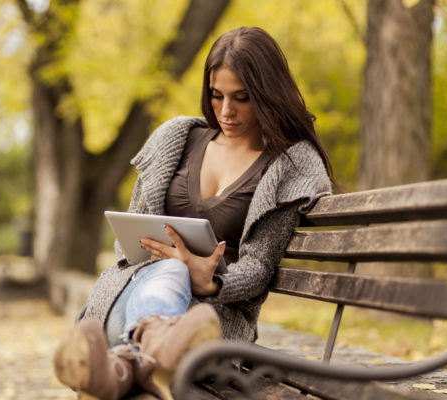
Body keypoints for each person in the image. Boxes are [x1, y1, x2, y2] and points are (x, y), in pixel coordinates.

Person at [53, 26, 333, 400]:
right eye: (216, 96)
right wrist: (175, 265)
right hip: (134, 293)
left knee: (176, 274)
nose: (226, 111)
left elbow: (260, 266)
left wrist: (213, 281)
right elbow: (130, 241)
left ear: (268, 95)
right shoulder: (177, 138)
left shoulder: (289, 165)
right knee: (171, 268)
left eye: (242, 98)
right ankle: (155, 347)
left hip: (210, 319)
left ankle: (121, 366)